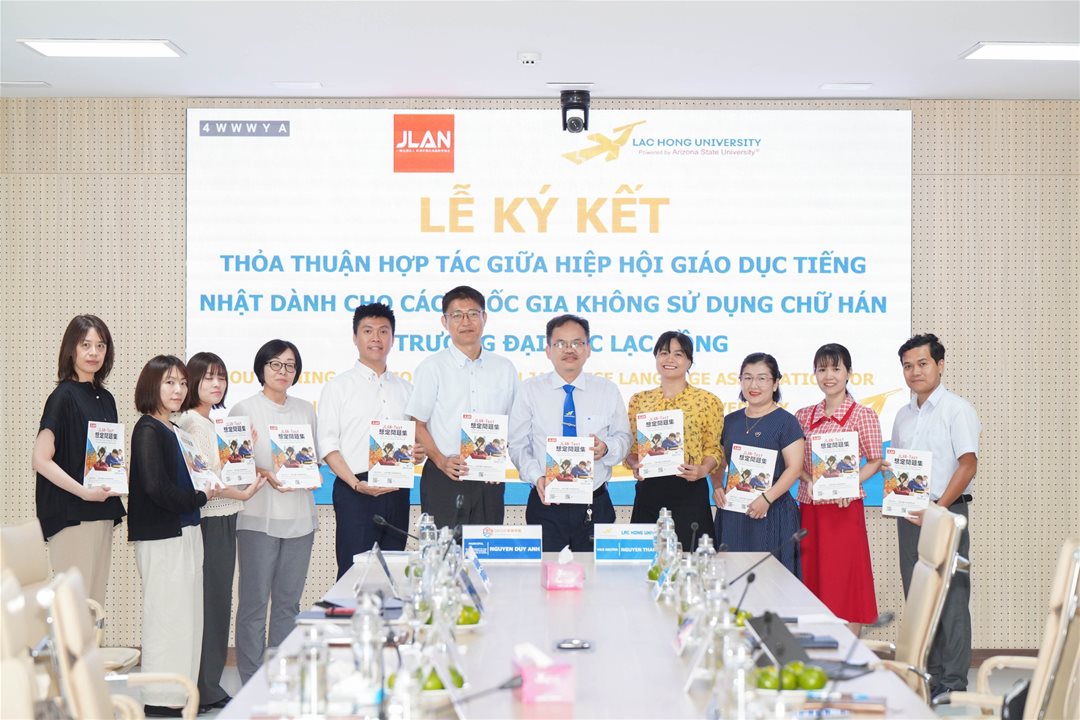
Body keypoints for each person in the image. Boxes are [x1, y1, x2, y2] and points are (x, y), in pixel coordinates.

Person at [175, 351, 265, 711]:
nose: (216, 384)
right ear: (193, 381)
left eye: (221, 377)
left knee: (217, 602)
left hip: (224, 516)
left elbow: (223, 470)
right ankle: (203, 686)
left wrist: (242, 450)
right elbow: (206, 478)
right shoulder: (192, 424)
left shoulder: (211, 422)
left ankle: (207, 683)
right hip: (210, 520)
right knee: (212, 603)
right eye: (208, 377)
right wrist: (241, 490)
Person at [891, 333, 980, 699]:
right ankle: (928, 674)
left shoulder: (957, 409)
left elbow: (968, 464)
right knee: (919, 597)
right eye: (908, 366)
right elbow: (900, 465)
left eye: (923, 364)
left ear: (940, 365)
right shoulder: (902, 415)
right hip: (909, 516)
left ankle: (954, 682)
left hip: (944, 513)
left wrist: (938, 508)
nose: (915, 372)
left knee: (952, 598)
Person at [126, 356, 214, 717]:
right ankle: (159, 700)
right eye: (169, 383)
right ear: (152, 386)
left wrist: (205, 489)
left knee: (187, 621)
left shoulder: (175, 429)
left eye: (182, 383)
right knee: (166, 620)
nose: (178, 390)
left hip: (186, 532)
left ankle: (180, 695)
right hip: (163, 537)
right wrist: (199, 497)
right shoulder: (147, 429)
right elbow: (155, 487)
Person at [230, 340, 320, 683]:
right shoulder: (243, 409)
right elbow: (234, 465)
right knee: (254, 604)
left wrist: (309, 474)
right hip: (258, 519)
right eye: (275, 364)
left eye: (290, 365)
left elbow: (312, 460)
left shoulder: (306, 410)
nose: (283, 371)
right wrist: (263, 472)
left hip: (300, 520)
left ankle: (281, 677)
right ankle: (252, 680)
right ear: (262, 368)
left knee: (288, 604)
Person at [318, 303, 425, 579]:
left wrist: (418, 453)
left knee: (392, 574)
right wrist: (356, 484)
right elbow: (327, 445)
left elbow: (419, 442)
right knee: (353, 575)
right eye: (368, 331)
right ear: (355, 337)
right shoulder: (337, 387)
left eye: (383, 331)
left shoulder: (407, 390)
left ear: (393, 338)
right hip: (355, 489)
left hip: (397, 490)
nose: (376, 338)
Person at [508, 315, 630, 551]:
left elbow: (624, 438)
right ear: (548, 350)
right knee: (546, 573)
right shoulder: (530, 390)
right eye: (560, 343)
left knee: (596, 573)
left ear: (588, 349)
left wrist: (606, 448)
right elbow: (517, 445)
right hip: (546, 504)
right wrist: (537, 477)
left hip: (594, 504)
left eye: (577, 343)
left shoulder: (607, 390)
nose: (569, 349)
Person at [32, 315, 126, 607]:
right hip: (71, 514)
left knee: (93, 607)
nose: (94, 352)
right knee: (74, 608)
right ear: (71, 349)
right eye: (86, 345)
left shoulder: (106, 398)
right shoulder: (62, 396)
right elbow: (40, 459)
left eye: (101, 345)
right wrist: (84, 492)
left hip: (101, 510)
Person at [406, 286, 519, 528]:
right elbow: (417, 424)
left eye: (473, 314)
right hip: (444, 475)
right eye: (457, 315)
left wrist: (496, 462)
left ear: (484, 317)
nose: (466, 321)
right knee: (442, 549)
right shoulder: (432, 367)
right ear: (444, 322)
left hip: (489, 481)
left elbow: (514, 425)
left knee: (486, 549)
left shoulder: (504, 368)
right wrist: (440, 460)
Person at [794, 343, 883, 634]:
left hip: (844, 510)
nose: (828, 376)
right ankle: (817, 648)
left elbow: (875, 460)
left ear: (848, 373)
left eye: (836, 368)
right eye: (822, 369)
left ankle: (850, 653)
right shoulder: (803, 416)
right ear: (815, 374)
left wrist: (849, 484)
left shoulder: (863, 415)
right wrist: (810, 480)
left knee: (846, 583)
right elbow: (796, 464)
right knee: (813, 579)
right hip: (810, 510)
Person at [626, 332, 723, 551]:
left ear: (689, 361)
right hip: (649, 490)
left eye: (678, 354)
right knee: (645, 560)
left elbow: (713, 449)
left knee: (693, 559)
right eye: (664, 353)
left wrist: (703, 469)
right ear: (656, 358)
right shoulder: (639, 400)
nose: (670, 359)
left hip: (689, 488)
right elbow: (632, 449)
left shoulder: (707, 401)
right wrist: (634, 464)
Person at [714, 352, 804, 577]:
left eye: (762, 378)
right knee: (732, 578)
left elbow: (794, 468)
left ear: (775, 383)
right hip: (734, 514)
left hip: (772, 512)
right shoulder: (730, 421)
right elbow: (719, 462)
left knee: (773, 581)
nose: (753, 385)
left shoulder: (787, 422)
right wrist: (716, 486)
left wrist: (766, 499)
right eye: (747, 377)